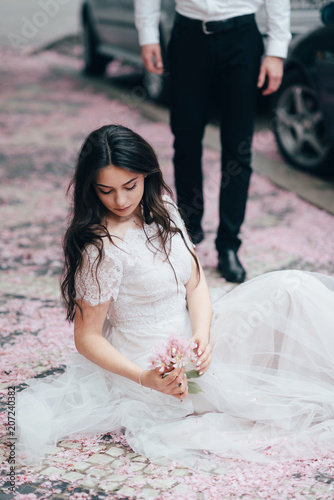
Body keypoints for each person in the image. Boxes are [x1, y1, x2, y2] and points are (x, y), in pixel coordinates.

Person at [17, 125, 334, 471]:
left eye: (130, 186)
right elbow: (86, 337)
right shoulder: (100, 248)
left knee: (291, 289)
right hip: (152, 363)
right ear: (91, 189)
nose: (121, 201)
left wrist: (202, 332)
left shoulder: (163, 208)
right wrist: (145, 378)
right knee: (250, 381)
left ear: (147, 175)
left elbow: (195, 280)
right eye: (105, 191)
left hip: (195, 331)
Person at [134, 0, 291, 283]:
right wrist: (148, 35)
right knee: (186, 141)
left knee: (238, 149)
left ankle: (229, 245)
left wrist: (276, 50)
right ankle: (190, 233)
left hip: (242, 35)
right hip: (188, 34)